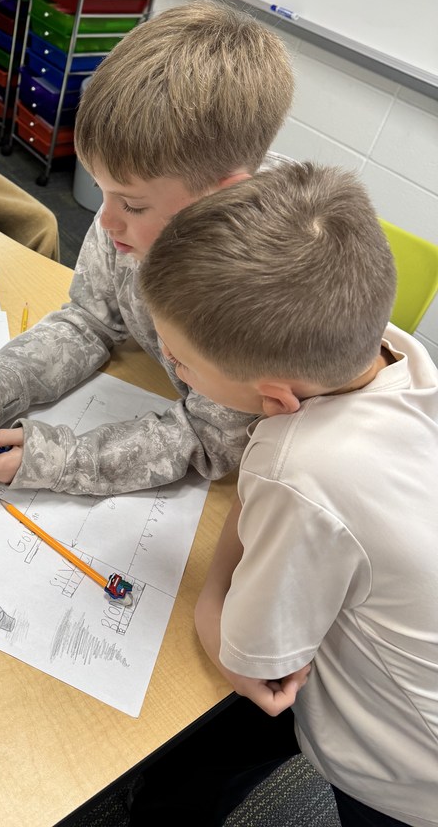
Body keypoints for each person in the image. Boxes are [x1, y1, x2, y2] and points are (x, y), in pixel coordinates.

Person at [138, 161, 438, 826]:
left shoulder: (299, 465)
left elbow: (255, 664)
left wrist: (209, 603)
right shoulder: (402, 354)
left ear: (274, 397)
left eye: (179, 361)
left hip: (409, 771)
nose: (173, 367)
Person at [0, 0, 295, 494]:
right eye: (102, 189)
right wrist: (3, 380)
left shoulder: (257, 288)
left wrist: (59, 461)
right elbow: (90, 318)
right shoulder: (132, 213)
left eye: (130, 204)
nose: (105, 221)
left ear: (218, 195)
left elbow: (211, 437)